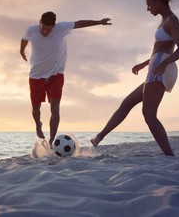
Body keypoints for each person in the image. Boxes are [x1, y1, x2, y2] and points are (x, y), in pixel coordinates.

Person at [91, 0, 179, 156]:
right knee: (127, 102)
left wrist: (164, 64)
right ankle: (98, 139)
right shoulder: (164, 20)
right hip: (156, 65)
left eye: (149, 4)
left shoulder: (172, 20)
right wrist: (145, 64)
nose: (148, 8)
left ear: (158, 0)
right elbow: (161, 48)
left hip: (162, 67)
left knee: (149, 115)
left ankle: (169, 155)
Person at [20, 12, 112, 147]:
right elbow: (24, 39)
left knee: (55, 108)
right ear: (40, 22)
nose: (45, 31)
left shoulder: (61, 28)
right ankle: (38, 126)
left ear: (54, 26)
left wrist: (99, 22)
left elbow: (80, 23)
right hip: (36, 75)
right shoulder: (31, 30)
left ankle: (51, 141)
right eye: (43, 27)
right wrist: (21, 50)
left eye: (49, 29)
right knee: (35, 107)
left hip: (56, 75)